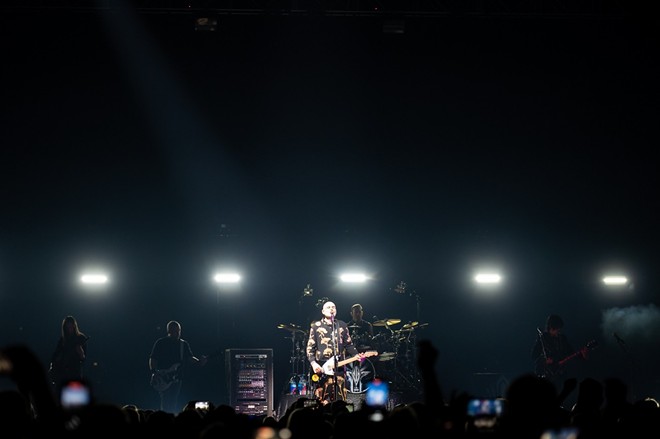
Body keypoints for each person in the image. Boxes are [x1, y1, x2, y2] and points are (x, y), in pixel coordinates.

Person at [306, 300, 365, 405]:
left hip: (339, 366)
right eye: (328, 307)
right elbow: (310, 348)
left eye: (333, 307)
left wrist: (356, 355)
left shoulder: (341, 325)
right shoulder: (316, 326)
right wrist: (313, 363)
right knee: (322, 397)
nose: (331, 309)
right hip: (322, 365)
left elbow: (348, 344)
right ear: (323, 311)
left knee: (340, 397)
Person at [148, 320, 207, 413]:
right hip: (164, 377)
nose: (177, 333)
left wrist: (199, 361)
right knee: (166, 401)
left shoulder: (183, 344)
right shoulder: (161, 342)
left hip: (177, 378)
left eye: (178, 330)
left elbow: (190, 357)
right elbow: (153, 358)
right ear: (169, 331)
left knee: (173, 401)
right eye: (175, 331)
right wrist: (154, 372)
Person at [531, 314, 588, 392]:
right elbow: (534, 355)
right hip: (545, 374)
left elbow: (570, 351)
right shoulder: (543, 338)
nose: (558, 332)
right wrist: (545, 360)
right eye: (557, 329)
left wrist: (581, 355)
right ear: (551, 327)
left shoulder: (562, 339)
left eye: (559, 329)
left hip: (559, 374)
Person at [48, 315, 89, 397]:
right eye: (67, 326)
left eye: (71, 326)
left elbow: (83, 358)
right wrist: (54, 365)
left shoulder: (80, 338)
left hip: (74, 371)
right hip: (62, 372)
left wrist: (80, 352)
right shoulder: (63, 340)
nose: (69, 329)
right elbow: (55, 354)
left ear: (74, 326)